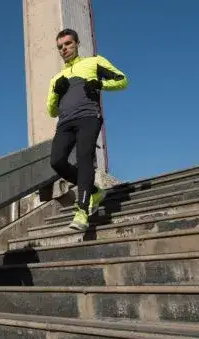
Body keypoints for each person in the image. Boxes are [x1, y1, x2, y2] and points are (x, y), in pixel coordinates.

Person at [46, 28, 128, 231]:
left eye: (68, 44)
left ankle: (82, 212)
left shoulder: (94, 62)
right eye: (60, 47)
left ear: (76, 43)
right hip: (65, 122)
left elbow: (122, 80)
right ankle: (94, 191)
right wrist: (57, 92)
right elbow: (51, 110)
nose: (64, 49)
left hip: (89, 117)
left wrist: (99, 84)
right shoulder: (57, 78)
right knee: (56, 161)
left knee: (84, 158)